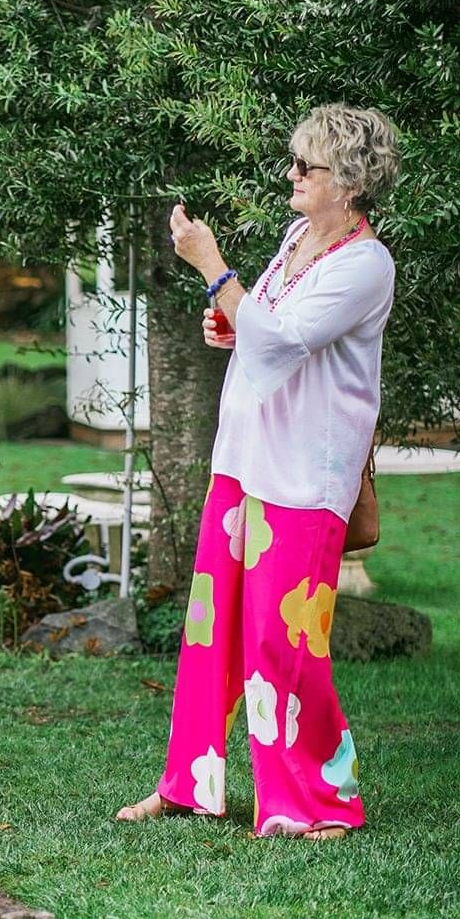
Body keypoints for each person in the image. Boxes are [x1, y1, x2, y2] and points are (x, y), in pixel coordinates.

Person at [116, 104, 401, 840]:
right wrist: (230, 319)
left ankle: (318, 802)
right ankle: (187, 786)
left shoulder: (368, 264)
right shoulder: (297, 237)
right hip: (242, 463)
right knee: (212, 634)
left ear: (350, 181)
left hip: (305, 476)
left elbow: (276, 344)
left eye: (306, 166)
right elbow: (264, 329)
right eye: (295, 161)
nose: (292, 175)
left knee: (286, 642)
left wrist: (214, 269)